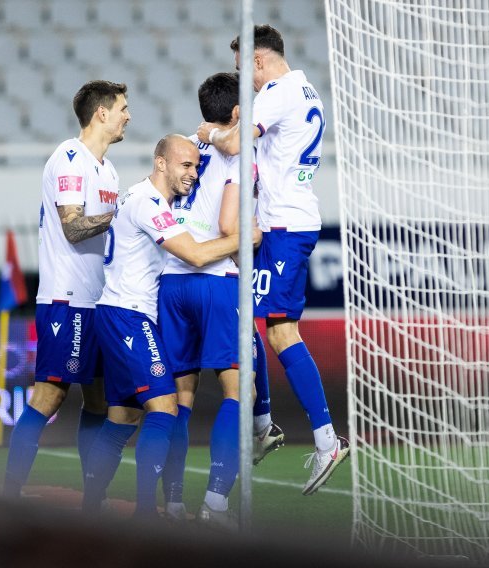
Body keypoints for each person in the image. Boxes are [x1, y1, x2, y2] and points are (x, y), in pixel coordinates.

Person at [198, 24, 349, 496]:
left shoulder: (279, 91)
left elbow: (237, 143)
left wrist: (209, 132)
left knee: (281, 332)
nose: (247, 80)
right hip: (283, 223)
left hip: (285, 227)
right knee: (252, 322)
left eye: (247, 71)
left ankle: (324, 440)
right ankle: (265, 425)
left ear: (259, 62)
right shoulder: (306, 89)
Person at [80, 134, 262, 521]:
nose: (193, 174)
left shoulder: (141, 197)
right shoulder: (148, 203)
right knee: (164, 408)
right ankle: (147, 514)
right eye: (185, 165)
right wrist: (243, 238)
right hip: (129, 315)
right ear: (160, 163)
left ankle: (90, 505)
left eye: (197, 166)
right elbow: (195, 255)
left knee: (123, 417)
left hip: (115, 313)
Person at [157, 71, 282, 532]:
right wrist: (254, 233)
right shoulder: (236, 153)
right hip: (215, 280)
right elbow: (231, 227)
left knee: (178, 399)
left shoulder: (182, 149)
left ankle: (172, 504)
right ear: (235, 114)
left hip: (170, 283)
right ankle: (214, 503)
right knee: (238, 392)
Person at [3, 80, 130, 499]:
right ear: (102, 114)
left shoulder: (108, 169)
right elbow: (74, 227)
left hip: (98, 300)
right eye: (123, 108)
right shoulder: (69, 158)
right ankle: (11, 492)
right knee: (50, 396)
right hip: (66, 298)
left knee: (98, 400)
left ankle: (91, 498)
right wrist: (122, 215)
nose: (128, 116)